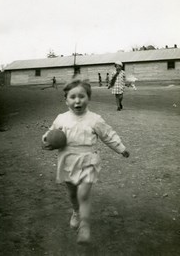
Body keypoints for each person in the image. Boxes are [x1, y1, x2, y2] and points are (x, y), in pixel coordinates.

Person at [42, 78, 130, 244]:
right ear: (66, 100)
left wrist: (121, 148)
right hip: (67, 161)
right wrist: (46, 141)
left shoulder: (94, 119)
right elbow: (50, 134)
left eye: (81, 96)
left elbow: (108, 135)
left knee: (83, 194)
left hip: (88, 161)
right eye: (73, 97)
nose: (77, 100)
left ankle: (85, 225)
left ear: (88, 98)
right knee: (72, 193)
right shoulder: (61, 119)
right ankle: (76, 211)